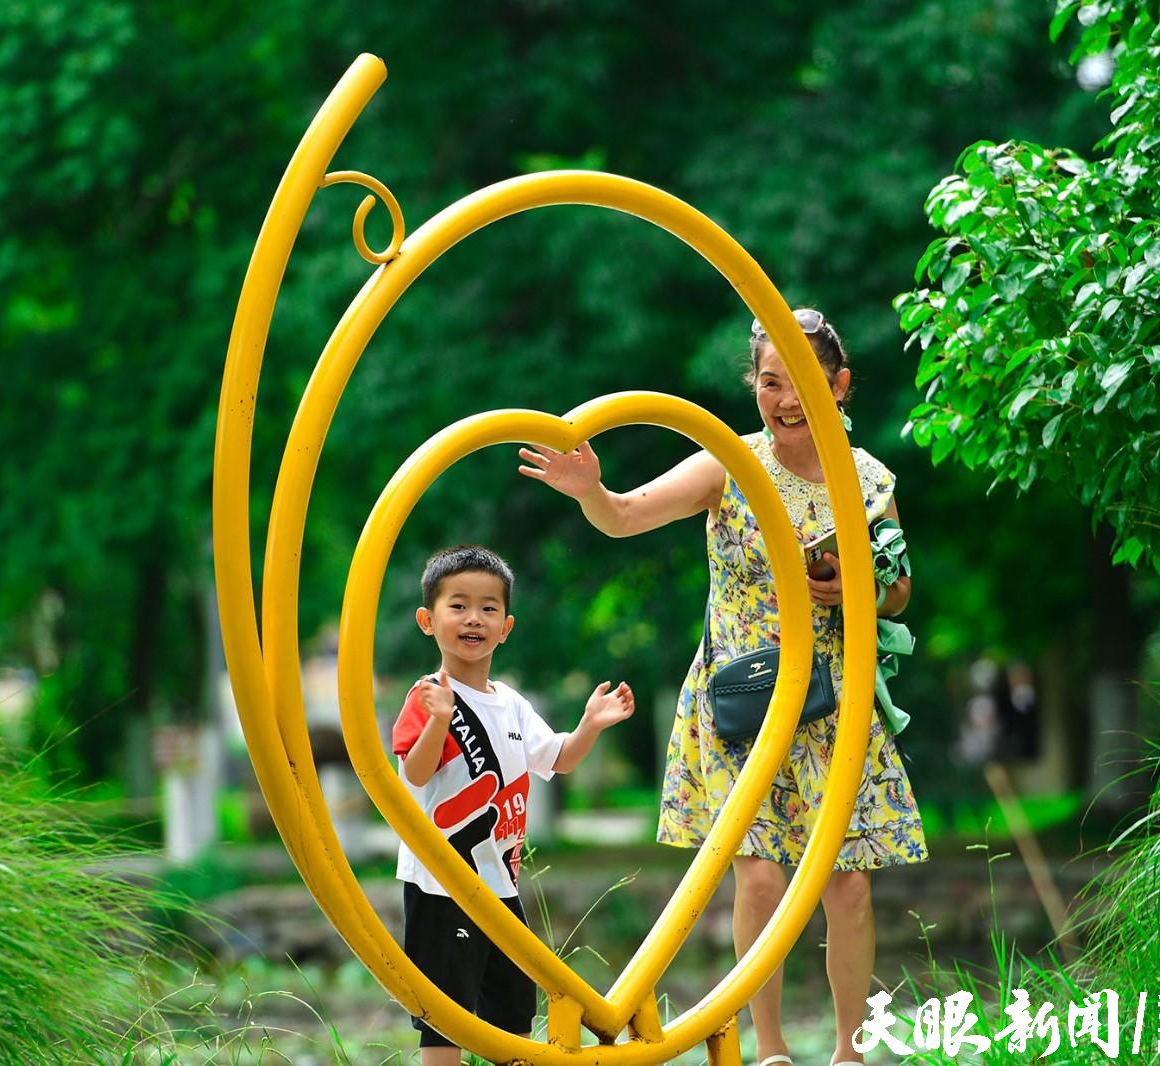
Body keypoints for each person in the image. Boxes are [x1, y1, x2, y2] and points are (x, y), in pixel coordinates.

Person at [519, 309, 927, 1065]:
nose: (785, 398)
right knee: (762, 877)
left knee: (849, 888)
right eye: (771, 381)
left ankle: (850, 1051)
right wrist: (589, 492)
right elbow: (626, 515)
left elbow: (899, 590)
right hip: (746, 702)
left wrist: (856, 587)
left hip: (837, 703)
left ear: (838, 385)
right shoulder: (731, 463)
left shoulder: (867, 478)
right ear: (756, 388)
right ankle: (766, 1049)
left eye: (802, 381)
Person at [392, 544, 635, 1060]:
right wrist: (439, 719)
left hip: (500, 882)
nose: (473, 618)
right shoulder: (428, 695)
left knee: (514, 1008)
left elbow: (559, 758)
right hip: (443, 884)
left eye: (488, 607)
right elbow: (412, 774)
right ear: (427, 619)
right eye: (457, 605)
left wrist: (590, 724)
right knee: (446, 1015)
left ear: (506, 626)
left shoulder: (511, 702)